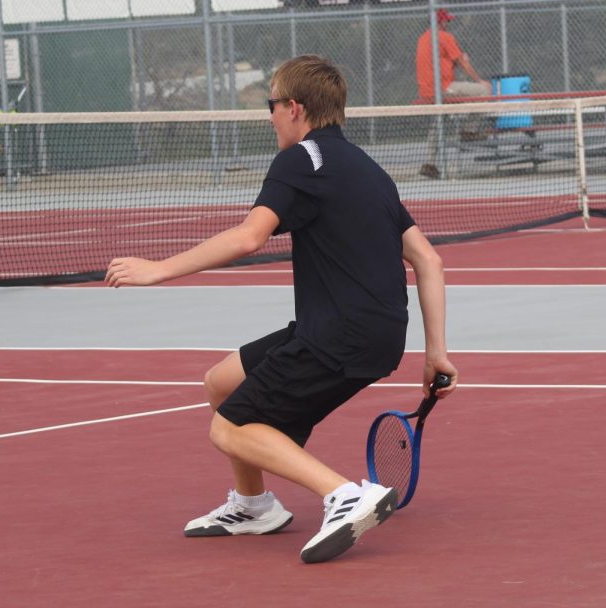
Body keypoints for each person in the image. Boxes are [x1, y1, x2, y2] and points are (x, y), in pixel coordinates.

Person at [105, 54, 457, 564]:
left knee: (227, 427)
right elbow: (429, 260)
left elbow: (250, 237)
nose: (269, 116)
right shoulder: (370, 170)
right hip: (372, 333)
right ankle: (254, 507)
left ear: (294, 108)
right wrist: (435, 355)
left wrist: (158, 269)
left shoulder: (299, 160)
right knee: (221, 383)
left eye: (271, 104)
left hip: (341, 333)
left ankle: (345, 495)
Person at [415, 9, 492, 179]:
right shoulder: (444, 37)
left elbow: (442, 65)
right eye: (446, 21)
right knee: (484, 90)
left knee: (439, 120)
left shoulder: (423, 38)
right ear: (441, 22)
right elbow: (462, 63)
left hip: (427, 91)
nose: (448, 24)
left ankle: (429, 163)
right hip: (442, 89)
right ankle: (469, 131)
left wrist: (456, 63)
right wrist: (479, 80)